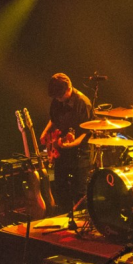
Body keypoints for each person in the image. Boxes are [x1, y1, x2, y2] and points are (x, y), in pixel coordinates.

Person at [39, 73, 94, 213]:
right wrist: (45, 132)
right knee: (60, 188)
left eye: (60, 96)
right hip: (62, 151)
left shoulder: (82, 102)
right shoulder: (57, 101)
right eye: (56, 97)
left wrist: (73, 144)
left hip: (79, 153)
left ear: (69, 88)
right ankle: (65, 220)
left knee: (80, 193)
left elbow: (86, 131)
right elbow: (53, 119)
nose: (58, 99)